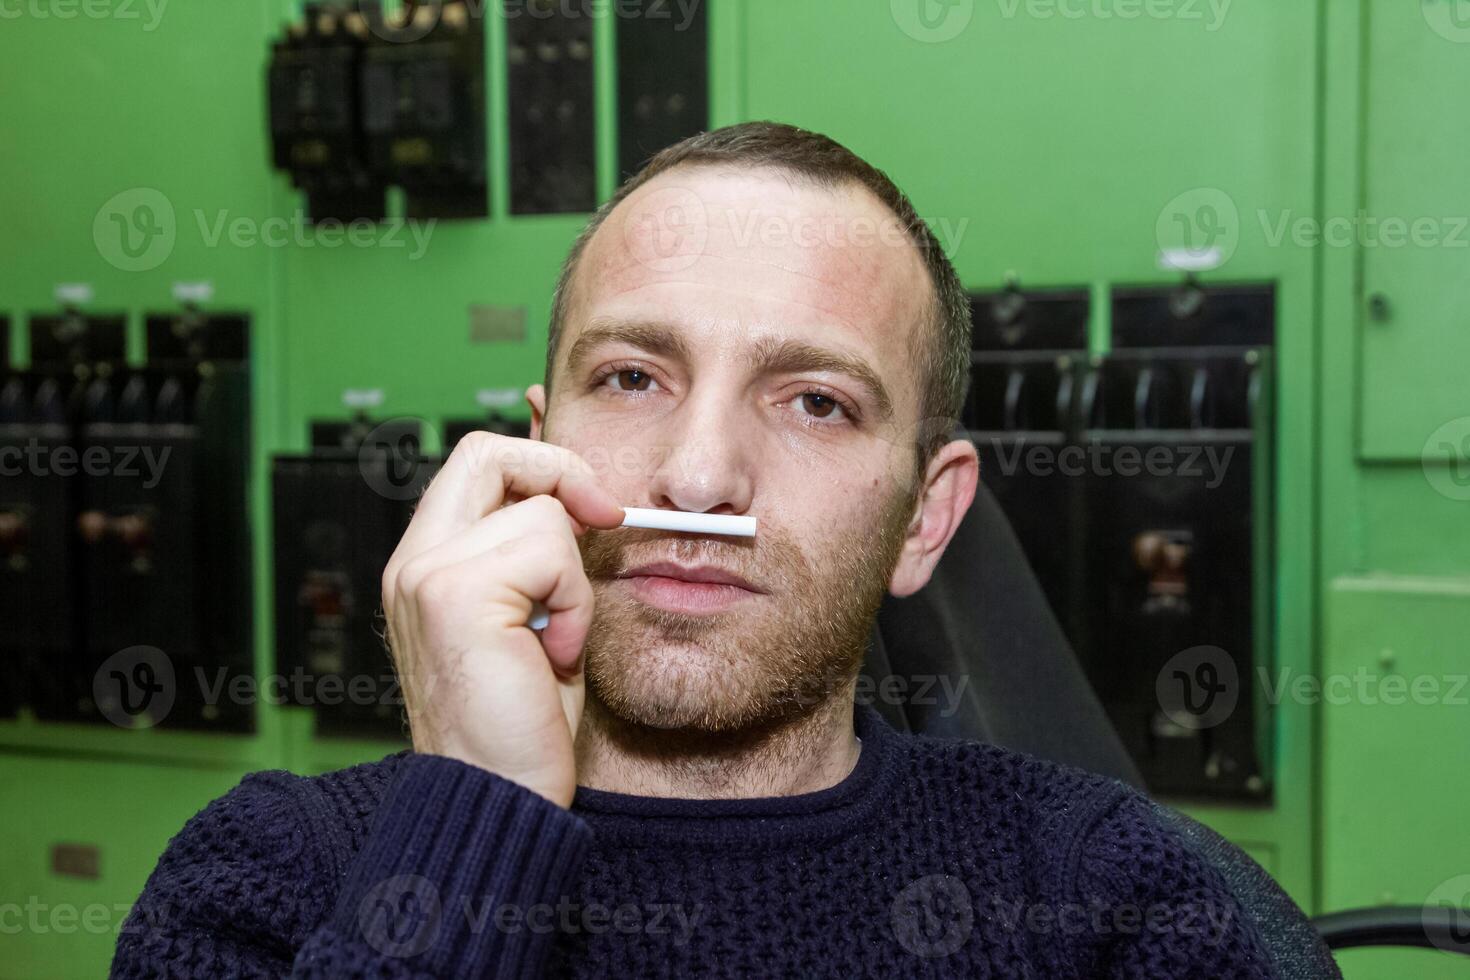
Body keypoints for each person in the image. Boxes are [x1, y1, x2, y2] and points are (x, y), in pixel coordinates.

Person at [112, 121, 1283, 978]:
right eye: (631, 377)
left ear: (927, 517)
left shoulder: (1123, 900)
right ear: (536, 446)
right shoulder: (267, 881)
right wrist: (470, 818)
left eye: (815, 400)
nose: (700, 476)